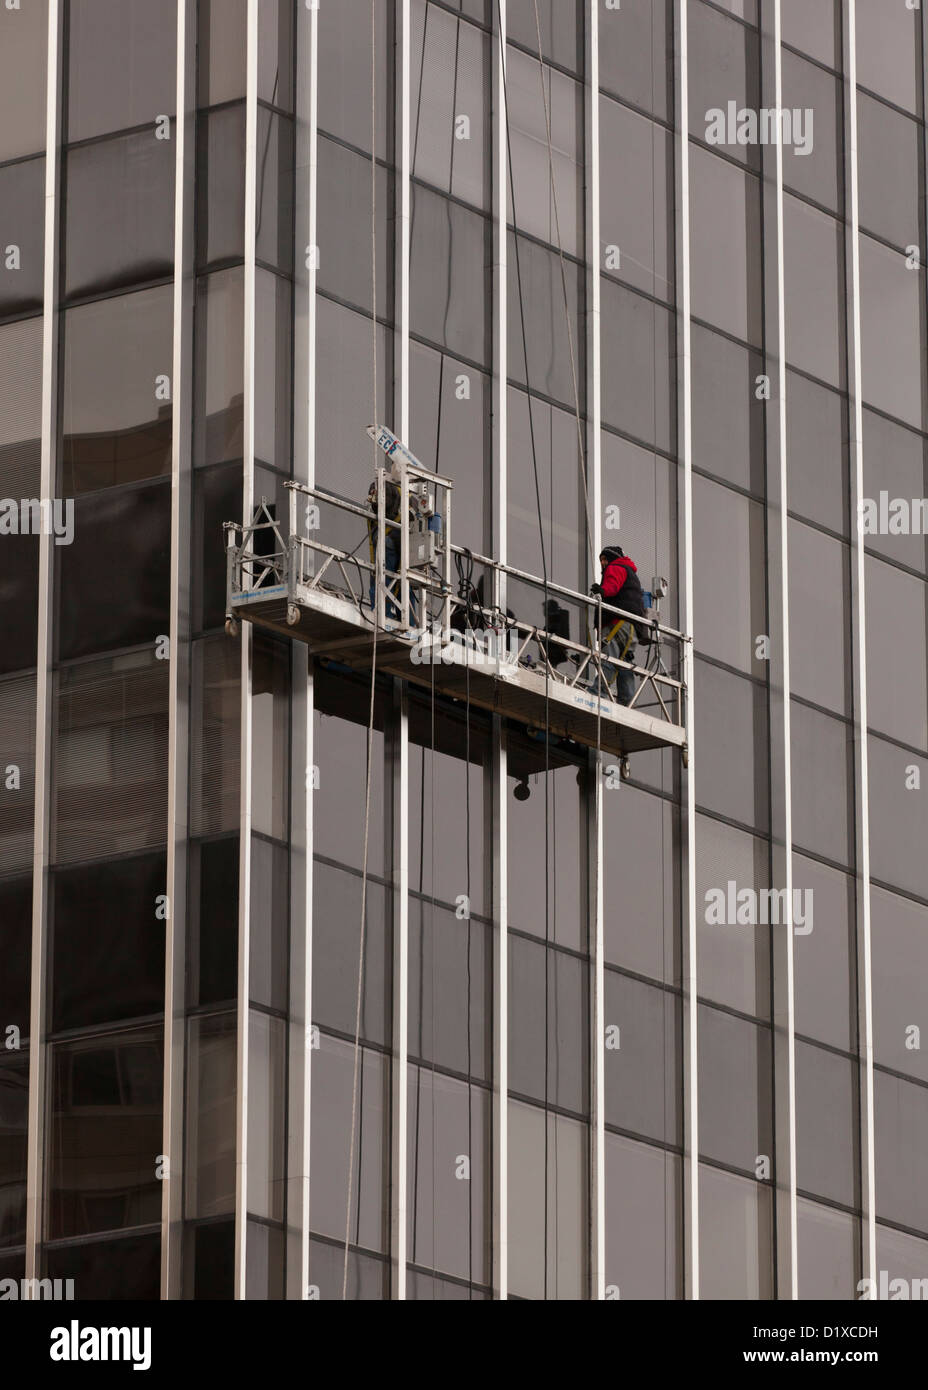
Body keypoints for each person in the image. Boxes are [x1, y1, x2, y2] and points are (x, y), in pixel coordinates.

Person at [589, 545, 646, 705]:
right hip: (631, 628)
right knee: (624, 662)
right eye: (601, 560)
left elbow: (612, 586)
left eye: (605, 559)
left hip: (616, 624)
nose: (603, 563)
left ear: (612, 558)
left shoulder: (615, 567)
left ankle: (597, 693)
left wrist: (602, 590)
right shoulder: (630, 573)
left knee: (609, 658)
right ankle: (627, 701)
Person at [366, 477, 417, 623]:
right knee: (403, 583)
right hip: (402, 543)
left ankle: (383, 616)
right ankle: (409, 622)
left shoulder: (382, 484)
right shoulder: (411, 495)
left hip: (387, 540)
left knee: (382, 580)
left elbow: (377, 506)